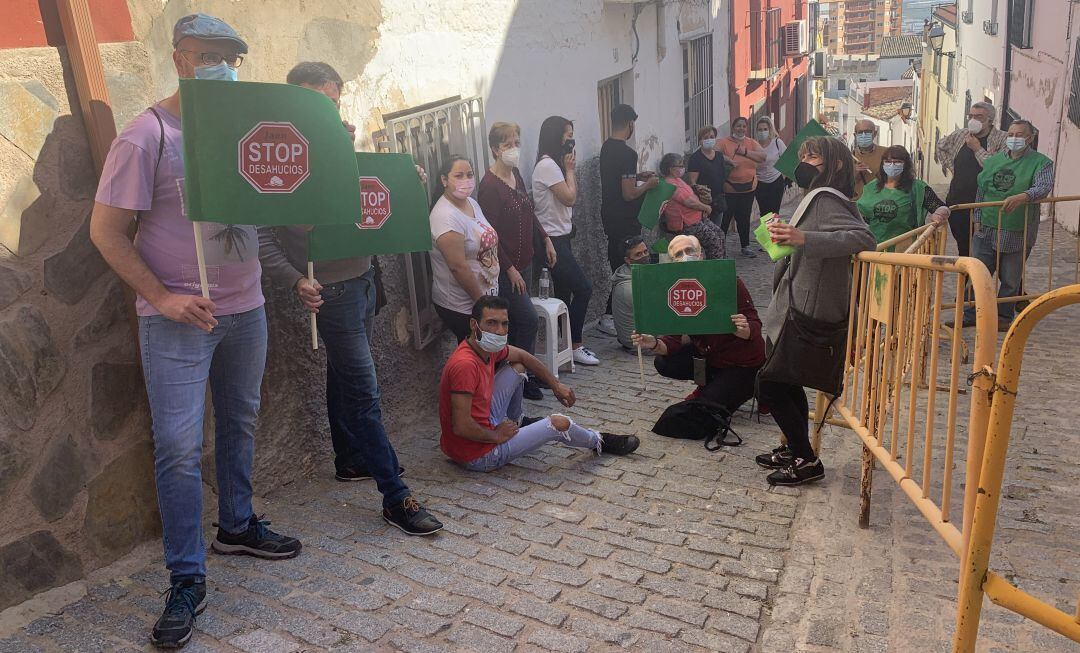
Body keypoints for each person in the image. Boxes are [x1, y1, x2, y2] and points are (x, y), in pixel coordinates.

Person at [88, 14, 302, 648]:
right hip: (177, 321)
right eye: (209, 56)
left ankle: (236, 524)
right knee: (179, 448)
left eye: (231, 57)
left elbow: (273, 203)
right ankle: (186, 576)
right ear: (180, 59)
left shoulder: (243, 132)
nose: (223, 67)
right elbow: (105, 233)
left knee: (240, 421)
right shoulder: (146, 135)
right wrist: (162, 297)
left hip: (247, 308)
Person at [258, 61, 442, 536]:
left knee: (345, 378)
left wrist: (405, 180)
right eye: (316, 101)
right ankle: (396, 495)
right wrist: (295, 279)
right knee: (364, 391)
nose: (328, 110)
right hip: (331, 293)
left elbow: (370, 204)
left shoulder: (343, 149)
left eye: (333, 101)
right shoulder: (282, 157)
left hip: (363, 281)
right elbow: (265, 233)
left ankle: (348, 460)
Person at [755, 136, 876, 486]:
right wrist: (783, 237)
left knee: (771, 384)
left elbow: (864, 239)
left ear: (836, 164)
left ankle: (807, 459)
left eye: (814, 156)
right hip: (794, 302)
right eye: (804, 153)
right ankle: (797, 448)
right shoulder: (815, 196)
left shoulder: (826, 198)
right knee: (782, 380)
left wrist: (804, 239)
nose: (805, 159)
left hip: (808, 309)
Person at [439, 296, 640, 471]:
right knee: (558, 423)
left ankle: (517, 420)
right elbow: (461, 426)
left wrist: (555, 385)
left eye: (504, 324)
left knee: (518, 366)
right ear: (475, 325)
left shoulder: (482, 347)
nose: (500, 331)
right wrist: (496, 436)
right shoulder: (465, 364)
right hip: (478, 456)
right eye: (491, 323)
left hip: (478, 430)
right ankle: (599, 440)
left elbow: (524, 357)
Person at [631, 236, 765, 415]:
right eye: (678, 254)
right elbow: (672, 340)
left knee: (707, 409)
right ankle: (708, 384)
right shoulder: (676, 288)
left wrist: (746, 330)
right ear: (672, 262)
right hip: (711, 357)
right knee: (664, 362)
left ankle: (761, 388)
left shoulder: (727, 280)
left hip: (741, 362)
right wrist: (653, 343)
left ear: (701, 254)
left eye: (690, 251)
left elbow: (755, 322)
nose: (685, 256)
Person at [477, 121, 555, 400]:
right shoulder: (489, 187)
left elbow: (528, 209)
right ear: (495, 149)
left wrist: (545, 238)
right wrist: (509, 268)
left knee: (519, 323)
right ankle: (519, 377)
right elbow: (490, 234)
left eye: (517, 143)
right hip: (505, 268)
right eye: (508, 144)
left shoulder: (516, 174)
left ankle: (520, 375)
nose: (514, 149)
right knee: (528, 319)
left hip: (525, 261)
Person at [960, 120, 1054, 329]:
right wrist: (977, 218)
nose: (1014, 138)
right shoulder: (994, 161)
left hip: (1018, 228)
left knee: (1011, 278)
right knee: (977, 273)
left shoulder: (1042, 162)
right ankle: (969, 315)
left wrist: (1024, 196)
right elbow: (981, 189)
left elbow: (1043, 186)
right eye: (1011, 134)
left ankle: (1003, 318)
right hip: (987, 226)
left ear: (1030, 138)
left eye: (1020, 135)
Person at [533, 115, 598, 365]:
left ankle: (564, 345)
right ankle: (576, 344)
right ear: (556, 136)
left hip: (561, 236)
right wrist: (570, 170)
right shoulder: (548, 165)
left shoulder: (553, 164)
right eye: (568, 135)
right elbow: (570, 198)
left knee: (564, 293)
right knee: (583, 288)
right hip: (553, 240)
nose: (571, 140)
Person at [599, 104, 658, 335]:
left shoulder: (606, 148)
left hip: (610, 216)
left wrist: (637, 176)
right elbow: (629, 193)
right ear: (631, 125)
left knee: (617, 261)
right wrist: (648, 185)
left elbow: (618, 180)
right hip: (625, 219)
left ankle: (611, 314)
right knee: (627, 266)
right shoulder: (627, 153)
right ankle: (612, 315)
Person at [429, 156, 500, 342]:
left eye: (469, 175)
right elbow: (458, 266)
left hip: (486, 298)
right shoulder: (445, 216)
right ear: (444, 180)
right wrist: (483, 306)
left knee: (488, 356)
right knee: (478, 356)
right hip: (462, 305)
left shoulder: (471, 203)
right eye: (458, 175)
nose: (466, 180)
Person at [936, 101, 1008, 256]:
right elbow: (941, 146)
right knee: (964, 248)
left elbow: (996, 169)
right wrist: (953, 167)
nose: (973, 120)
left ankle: (983, 277)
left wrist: (977, 149)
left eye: (979, 116)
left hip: (987, 206)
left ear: (990, 119)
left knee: (987, 250)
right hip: (958, 203)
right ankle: (967, 279)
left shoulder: (1002, 139)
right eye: (971, 116)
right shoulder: (961, 134)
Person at [855, 145, 950, 244]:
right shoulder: (871, 187)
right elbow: (860, 215)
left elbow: (941, 207)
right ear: (882, 164)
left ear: (906, 164)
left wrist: (940, 213)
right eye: (888, 162)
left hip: (907, 249)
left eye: (897, 162)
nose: (892, 165)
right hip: (875, 248)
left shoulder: (918, 188)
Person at [658, 152, 726, 260]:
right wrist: (705, 207)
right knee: (714, 241)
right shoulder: (670, 184)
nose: (682, 168)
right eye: (680, 166)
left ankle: (722, 263)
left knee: (720, 234)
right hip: (686, 224)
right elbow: (689, 202)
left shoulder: (677, 179)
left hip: (696, 218)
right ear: (671, 169)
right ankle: (715, 268)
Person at [717, 117, 766, 257]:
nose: (741, 129)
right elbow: (715, 154)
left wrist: (745, 152)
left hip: (748, 188)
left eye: (744, 126)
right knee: (725, 218)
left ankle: (745, 246)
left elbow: (763, 156)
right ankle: (720, 248)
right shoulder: (724, 142)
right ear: (733, 127)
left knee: (744, 218)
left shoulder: (751, 142)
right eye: (738, 126)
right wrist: (729, 160)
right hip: (729, 188)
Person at [610, 235, 650, 350]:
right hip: (639, 343)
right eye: (638, 254)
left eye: (645, 251)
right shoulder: (629, 288)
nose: (644, 256)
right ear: (628, 260)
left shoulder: (626, 272)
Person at [687, 125, 729, 227]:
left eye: (712, 137)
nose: (709, 139)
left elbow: (723, 176)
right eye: (706, 138)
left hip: (718, 199)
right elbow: (693, 182)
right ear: (700, 141)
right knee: (706, 233)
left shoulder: (719, 156)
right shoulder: (695, 158)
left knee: (717, 229)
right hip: (703, 201)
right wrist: (702, 200)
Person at [753, 116, 788, 218]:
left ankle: (773, 233)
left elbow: (786, 159)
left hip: (776, 182)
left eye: (765, 129)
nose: (762, 132)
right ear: (756, 131)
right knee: (764, 213)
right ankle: (767, 233)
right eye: (760, 129)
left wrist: (784, 177)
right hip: (760, 183)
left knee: (774, 212)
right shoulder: (753, 145)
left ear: (770, 130)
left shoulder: (777, 143)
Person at [851, 119, 888, 199]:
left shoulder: (886, 153)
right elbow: (842, 185)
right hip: (857, 204)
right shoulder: (848, 157)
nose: (864, 135)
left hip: (880, 202)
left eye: (867, 132)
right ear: (855, 135)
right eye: (860, 132)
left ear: (874, 134)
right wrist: (854, 173)